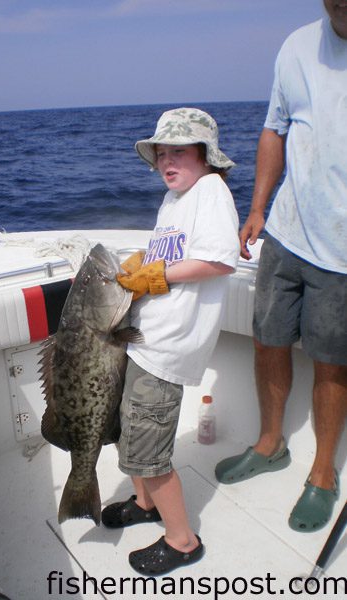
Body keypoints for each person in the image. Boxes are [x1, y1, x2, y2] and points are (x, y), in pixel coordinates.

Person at [215, 0, 347, 533]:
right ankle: (270, 444)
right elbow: (276, 129)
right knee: (268, 340)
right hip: (286, 236)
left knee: (332, 363)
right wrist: (257, 209)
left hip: (342, 256)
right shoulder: (295, 46)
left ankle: (322, 474)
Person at [102, 107, 240, 575]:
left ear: (205, 155)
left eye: (178, 150)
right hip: (143, 339)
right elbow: (177, 251)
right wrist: (146, 260)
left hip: (166, 350)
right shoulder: (175, 198)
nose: (166, 160)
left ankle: (182, 541)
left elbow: (220, 261)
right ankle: (145, 504)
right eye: (161, 153)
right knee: (131, 434)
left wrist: (155, 273)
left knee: (149, 449)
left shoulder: (211, 190)